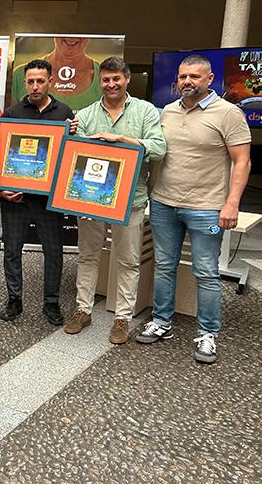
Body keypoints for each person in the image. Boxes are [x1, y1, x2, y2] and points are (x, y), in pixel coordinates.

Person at [135, 54, 251, 364]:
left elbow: (242, 160)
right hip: (163, 203)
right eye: (183, 76)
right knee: (164, 266)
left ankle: (208, 334)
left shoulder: (228, 113)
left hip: (206, 207)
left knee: (207, 272)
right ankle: (161, 323)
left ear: (209, 79)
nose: (187, 82)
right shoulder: (167, 112)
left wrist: (232, 203)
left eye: (195, 77)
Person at [63, 56, 166, 344]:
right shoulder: (84, 115)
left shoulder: (146, 112)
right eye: (106, 79)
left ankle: (122, 317)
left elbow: (159, 148)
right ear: (100, 81)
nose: (111, 84)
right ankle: (83, 309)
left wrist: (123, 142)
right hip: (90, 200)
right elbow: (74, 159)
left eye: (116, 79)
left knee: (128, 260)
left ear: (127, 79)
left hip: (130, 200)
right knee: (87, 256)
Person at [0, 59, 76, 326]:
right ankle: (14, 299)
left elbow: (71, 157)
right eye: (29, 81)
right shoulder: (11, 113)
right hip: (15, 198)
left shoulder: (64, 112)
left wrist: (72, 135)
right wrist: (1, 188)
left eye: (40, 81)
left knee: (54, 251)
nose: (34, 86)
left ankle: (52, 302)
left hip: (48, 199)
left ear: (50, 81)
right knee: (12, 250)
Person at [12, 37, 101, 112]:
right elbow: (9, 123)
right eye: (64, 29)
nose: (72, 36)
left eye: (81, 30)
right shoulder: (20, 74)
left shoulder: (105, 77)